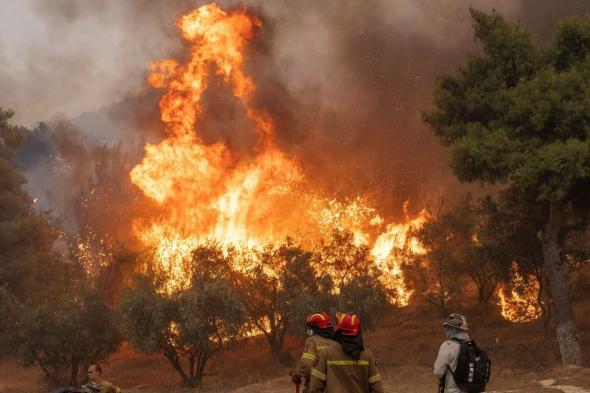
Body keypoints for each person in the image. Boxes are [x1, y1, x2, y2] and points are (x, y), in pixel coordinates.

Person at [309, 314, 384, 393]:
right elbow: (377, 390)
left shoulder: (327, 353)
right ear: (358, 332)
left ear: (338, 332)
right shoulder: (368, 355)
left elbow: (315, 388)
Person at [292, 312, 336, 393]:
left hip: (318, 387)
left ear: (314, 328)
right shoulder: (337, 341)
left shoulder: (312, 341)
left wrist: (298, 374)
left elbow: (307, 365)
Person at [434, 313, 471, 393]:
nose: (445, 331)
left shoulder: (447, 345)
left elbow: (438, 372)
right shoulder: (472, 345)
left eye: (447, 328)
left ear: (454, 329)